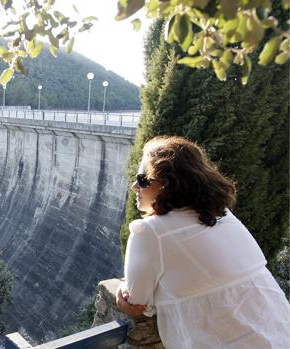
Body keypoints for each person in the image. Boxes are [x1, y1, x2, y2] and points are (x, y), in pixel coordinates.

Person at [116, 135, 290, 348]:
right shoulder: (223, 215)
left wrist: (121, 292)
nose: (135, 186)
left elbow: (135, 301)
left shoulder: (149, 232)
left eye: (143, 180)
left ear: (170, 184)